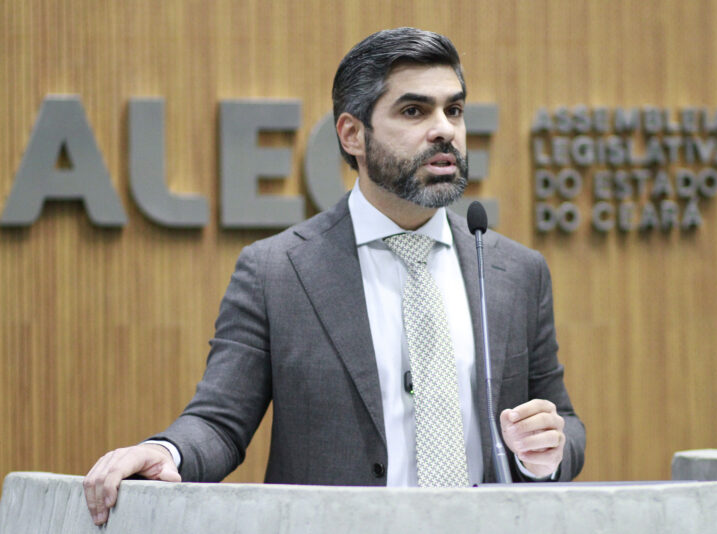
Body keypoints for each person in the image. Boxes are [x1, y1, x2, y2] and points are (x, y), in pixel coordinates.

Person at [84, 27, 585, 526]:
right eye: (414, 111)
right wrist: (165, 452)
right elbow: (219, 423)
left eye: (453, 110)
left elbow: (564, 424)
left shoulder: (515, 271)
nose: (444, 130)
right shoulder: (277, 272)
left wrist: (542, 453)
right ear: (352, 134)